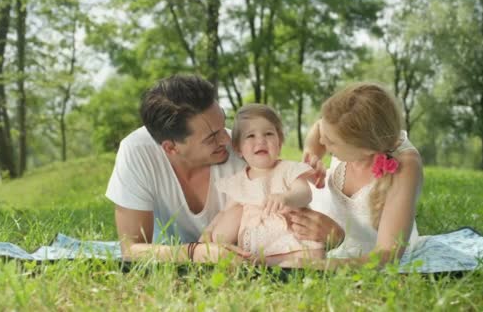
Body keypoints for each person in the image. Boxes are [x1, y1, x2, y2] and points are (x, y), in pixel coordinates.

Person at [105, 74, 342, 263]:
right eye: (211, 137)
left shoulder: (246, 155)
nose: (227, 140)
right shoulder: (137, 153)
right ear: (171, 147)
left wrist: (333, 235)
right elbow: (130, 249)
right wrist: (196, 253)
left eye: (223, 126)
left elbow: (294, 210)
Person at [287, 83, 424, 268]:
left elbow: (387, 254)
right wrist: (311, 152)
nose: (322, 141)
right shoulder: (343, 128)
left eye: (331, 142)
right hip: (335, 230)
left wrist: (321, 265)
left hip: (371, 252)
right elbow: (319, 128)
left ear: (367, 149)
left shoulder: (405, 166)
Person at [200, 104, 325, 265]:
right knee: (228, 219)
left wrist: (286, 197)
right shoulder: (239, 182)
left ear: (279, 143)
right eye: (250, 136)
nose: (261, 140)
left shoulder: (288, 168)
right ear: (238, 149)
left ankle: (281, 262)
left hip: (290, 235)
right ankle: (230, 254)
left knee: (313, 255)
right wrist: (209, 231)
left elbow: (304, 193)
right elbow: (225, 212)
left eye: (268, 134)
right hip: (256, 243)